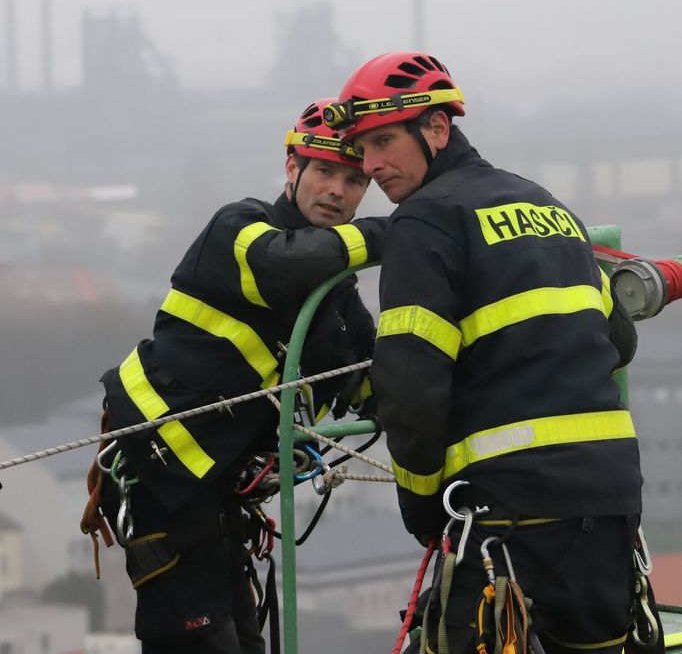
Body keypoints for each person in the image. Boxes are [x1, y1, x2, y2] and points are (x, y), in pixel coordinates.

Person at [325, 52, 648, 653]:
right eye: (363, 148)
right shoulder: (548, 206)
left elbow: (409, 391)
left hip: (509, 513)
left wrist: (423, 508)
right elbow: (619, 339)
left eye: (384, 141)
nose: (370, 166)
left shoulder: (425, 221)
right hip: (609, 501)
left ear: (438, 128)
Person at [81, 98, 386, 654]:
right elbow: (284, 262)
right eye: (323, 170)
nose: (338, 191)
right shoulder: (241, 227)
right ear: (291, 169)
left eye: (355, 178)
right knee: (197, 642)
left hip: (216, 491)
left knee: (244, 640)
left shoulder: (337, 297)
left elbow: (369, 379)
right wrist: (400, 232)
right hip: (161, 468)